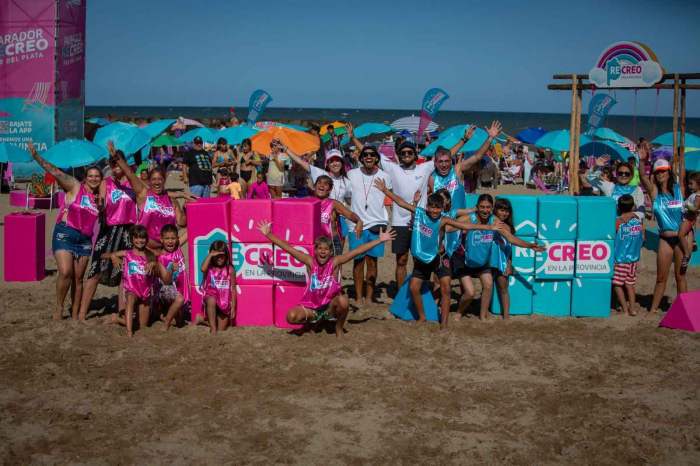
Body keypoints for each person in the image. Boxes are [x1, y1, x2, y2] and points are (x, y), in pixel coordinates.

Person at [375, 180, 502, 329]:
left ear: (443, 208)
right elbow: (401, 202)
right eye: (432, 207)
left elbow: (465, 225)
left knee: (446, 288)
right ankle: (422, 317)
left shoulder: (443, 219)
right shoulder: (420, 213)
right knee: (413, 288)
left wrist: (488, 227)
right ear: (427, 207)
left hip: (440, 258)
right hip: (423, 258)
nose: (435, 211)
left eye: (438, 208)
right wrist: (385, 191)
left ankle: (444, 322)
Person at [257, 219, 396, 339]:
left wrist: (380, 240)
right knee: (291, 317)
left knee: (343, 301)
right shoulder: (310, 262)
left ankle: (338, 327)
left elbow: (357, 251)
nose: (323, 251)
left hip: (330, 307)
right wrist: (268, 234)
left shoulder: (335, 262)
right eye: (320, 248)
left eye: (326, 249)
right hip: (312, 307)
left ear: (330, 252)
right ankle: (313, 322)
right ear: (315, 250)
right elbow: (288, 248)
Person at [348, 123, 435, 292]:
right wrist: (352, 138)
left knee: (419, 260)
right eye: (403, 153)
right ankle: (402, 294)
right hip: (399, 222)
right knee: (401, 261)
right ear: (399, 155)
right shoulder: (393, 169)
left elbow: (444, 157)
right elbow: (372, 154)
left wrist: (464, 140)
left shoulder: (425, 167)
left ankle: (420, 291)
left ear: (415, 154)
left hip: (420, 222)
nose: (407, 155)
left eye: (410, 152)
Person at [28, 141, 102, 321]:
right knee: (65, 271)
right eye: (90, 175)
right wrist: (37, 157)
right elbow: (56, 172)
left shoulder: (100, 199)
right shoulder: (76, 186)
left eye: (97, 176)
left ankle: (75, 312)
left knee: (78, 278)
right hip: (65, 234)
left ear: (101, 179)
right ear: (85, 177)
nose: (93, 178)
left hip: (84, 240)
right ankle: (60, 308)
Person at [78, 149, 137, 323]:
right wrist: (100, 204)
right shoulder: (106, 182)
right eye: (112, 162)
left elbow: (148, 194)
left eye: (118, 161)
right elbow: (102, 202)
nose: (115, 165)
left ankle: (121, 312)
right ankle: (82, 313)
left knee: (123, 275)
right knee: (96, 270)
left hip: (128, 232)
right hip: (108, 231)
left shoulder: (134, 182)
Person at [109, 142, 191, 249]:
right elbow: (130, 174)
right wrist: (117, 158)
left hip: (166, 252)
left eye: (160, 179)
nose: (157, 182)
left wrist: (187, 210)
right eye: (154, 179)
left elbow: (182, 223)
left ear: (164, 181)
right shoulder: (144, 194)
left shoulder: (171, 201)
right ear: (149, 181)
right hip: (146, 251)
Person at [637, 142, 687, 317]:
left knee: (680, 277)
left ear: (669, 172)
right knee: (661, 278)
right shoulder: (654, 192)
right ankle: (654, 309)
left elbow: (682, 170)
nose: (661, 175)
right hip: (665, 239)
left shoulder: (679, 189)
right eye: (658, 173)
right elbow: (642, 177)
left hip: (682, 239)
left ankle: (685, 309)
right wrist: (642, 160)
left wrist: (678, 156)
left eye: (663, 171)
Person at [102, 225, 171, 337]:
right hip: (132, 289)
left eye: (142, 238)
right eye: (137, 238)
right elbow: (102, 255)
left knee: (142, 326)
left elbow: (159, 273)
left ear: (146, 239)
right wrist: (113, 256)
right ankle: (129, 332)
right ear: (132, 239)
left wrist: (153, 264)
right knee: (129, 297)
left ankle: (116, 319)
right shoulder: (127, 253)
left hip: (145, 294)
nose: (140, 240)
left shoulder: (150, 255)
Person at [346, 144, 393, 303]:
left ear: (376, 158)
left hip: (376, 223)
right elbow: (346, 194)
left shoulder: (385, 176)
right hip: (356, 225)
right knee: (358, 262)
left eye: (372, 155)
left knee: (372, 262)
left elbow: (390, 198)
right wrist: (354, 208)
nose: (369, 157)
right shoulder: (351, 174)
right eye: (365, 154)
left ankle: (369, 298)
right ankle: (359, 297)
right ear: (361, 158)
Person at [489, 198, 546, 321]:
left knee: (503, 287)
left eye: (507, 211)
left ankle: (506, 315)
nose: (504, 213)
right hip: (487, 258)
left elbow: (510, 246)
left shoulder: (507, 227)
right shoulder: (490, 220)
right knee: (485, 286)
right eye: (501, 210)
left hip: (501, 259)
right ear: (495, 209)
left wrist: (509, 265)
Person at [453, 194, 500, 322]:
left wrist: (528, 245)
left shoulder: (495, 220)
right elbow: (448, 226)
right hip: (463, 259)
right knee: (470, 293)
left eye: (488, 207)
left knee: (489, 284)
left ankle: (482, 316)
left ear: (492, 208)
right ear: (477, 207)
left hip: (481, 260)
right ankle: (459, 312)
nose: (485, 210)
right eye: (482, 207)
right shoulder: (468, 218)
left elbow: (509, 236)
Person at [312, 175, 363, 255]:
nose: (322, 185)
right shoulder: (308, 201)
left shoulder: (333, 204)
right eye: (320, 183)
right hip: (313, 241)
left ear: (329, 190)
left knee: (335, 266)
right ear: (314, 186)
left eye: (325, 184)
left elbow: (349, 214)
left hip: (331, 242)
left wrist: (359, 221)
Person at [613, 195, 645, 316]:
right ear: (633, 207)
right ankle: (633, 308)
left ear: (618, 207)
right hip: (633, 259)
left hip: (621, 259)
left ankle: (625, 310)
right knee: (630, 284)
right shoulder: (638, 222)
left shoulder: (617, 222)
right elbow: (643, 239)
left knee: (617, 284)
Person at [586, 155, 645, 220]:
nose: (623, 175)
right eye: (620, 173)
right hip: (612, 226)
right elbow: (589, 178)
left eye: (627, 173)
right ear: (616, 174)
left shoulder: (637, 190)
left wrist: (631, 214)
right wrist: (596, 165)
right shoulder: (609, 186)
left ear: (631, 176)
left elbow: (642, 211)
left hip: (630, 228)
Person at [154, 224, 189, 331]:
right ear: (161, 239)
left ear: (177, 239)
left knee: (179, 322)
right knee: (179, 300)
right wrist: (171, 270)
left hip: (179, 287)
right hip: (166, 289)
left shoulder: (177, 247)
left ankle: (162, 316)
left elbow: (189, 232)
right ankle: (166, 324)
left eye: (173, 238)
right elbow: (165, 280)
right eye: (167, 238)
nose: (170, 241)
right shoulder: (160, 258)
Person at [199, 240, 237, 334]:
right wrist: (210, 255)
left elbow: (233, 289)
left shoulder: (230, 269)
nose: (219, 259)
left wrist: (233, 307)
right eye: (217, 256)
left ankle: (201, 319)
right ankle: (213, 330)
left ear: (226, 255)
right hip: (211, 300)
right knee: (212, 300)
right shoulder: (209, 267)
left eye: (222, 256)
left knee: (222, 328)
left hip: (223, 303)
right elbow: (202, 269)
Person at [677, 171, 700, 271]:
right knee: (686, 233)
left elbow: (695, 209)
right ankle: (693, 241)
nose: (689, 186)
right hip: (687, 218)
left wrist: (687, 206)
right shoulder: (694, 194)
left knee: (680, 235)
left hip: (688, 219)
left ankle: (687, 254)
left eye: (691, 184)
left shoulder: (697, 196)